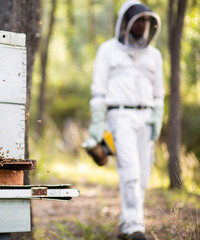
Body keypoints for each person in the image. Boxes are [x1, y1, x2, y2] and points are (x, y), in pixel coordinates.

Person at [88, 1, 164, 239]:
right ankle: (134, 227)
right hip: (119, 117)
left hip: (146, 117)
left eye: (146, 21)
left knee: (142, 175)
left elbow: (159, 93)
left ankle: (126, 223)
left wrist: (157, 117)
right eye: (138, 20)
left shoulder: (154, 55)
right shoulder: (108, 50)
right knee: (130, 171)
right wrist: (98, 124)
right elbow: (99, 91)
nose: (143, 25)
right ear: (126, 23)